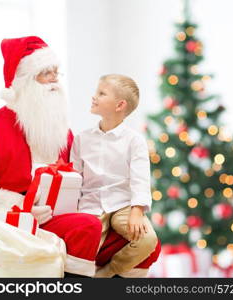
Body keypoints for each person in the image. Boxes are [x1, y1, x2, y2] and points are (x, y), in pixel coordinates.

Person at [0, 36, 102, 277]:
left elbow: (77, 177)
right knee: (86, 227)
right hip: (13, 224)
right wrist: (18, 211)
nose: (55, 79)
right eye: (46, 73)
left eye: (56, 72)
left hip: (60, 216)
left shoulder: (61, 132)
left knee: (128, 238)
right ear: (24, 81)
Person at [71, 74, 159, 277]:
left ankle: (107, 274)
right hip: (90, 205)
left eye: (101, 93)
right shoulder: (81, 139)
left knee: (147, 240)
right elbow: (75, 178)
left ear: (120, 105)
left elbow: (140, 179)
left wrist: (137, 211)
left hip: (123, 205)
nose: (94, 97)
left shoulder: (134, 141)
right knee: (85, 244)